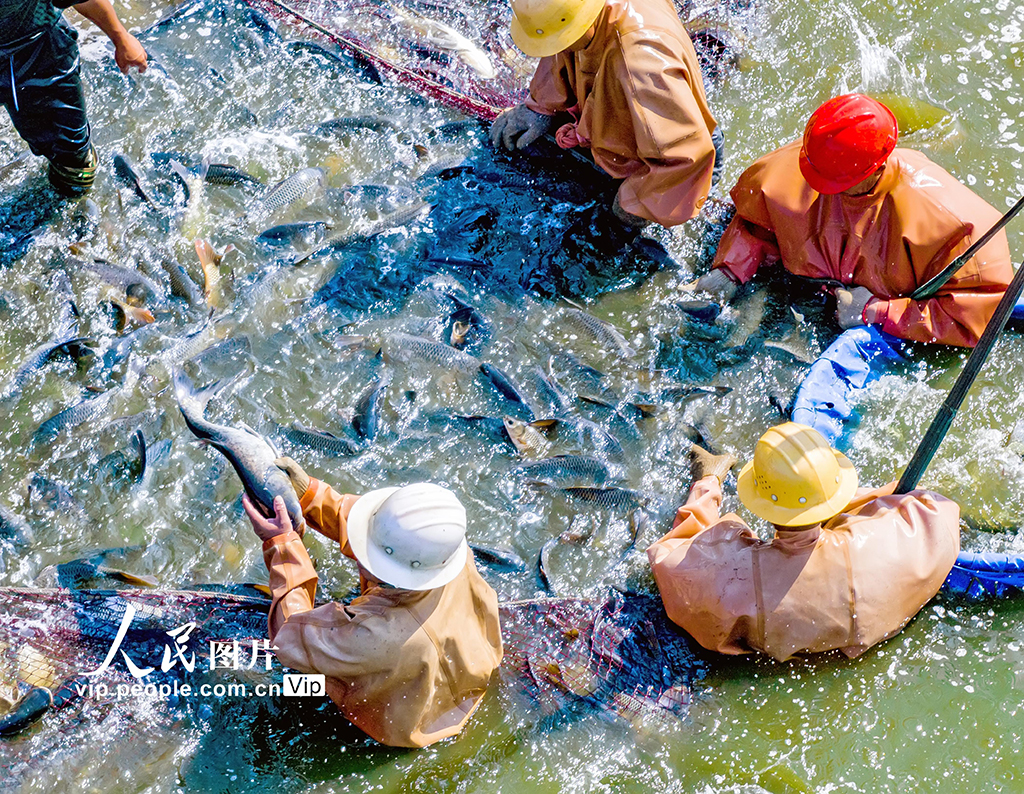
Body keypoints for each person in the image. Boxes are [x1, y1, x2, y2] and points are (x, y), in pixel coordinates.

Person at [695, 93, 1012, 348]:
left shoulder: (957, 225)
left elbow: (980, 316)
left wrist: (880, 311)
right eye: (814, 172)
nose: (818, 187)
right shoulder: (782, 171)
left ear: (876, 168)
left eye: (834, 182)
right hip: (808, 288)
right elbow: (756, 224)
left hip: (885, 321)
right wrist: (730, 270)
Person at [241, 458, 503, 748]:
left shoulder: (371, 636)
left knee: (282, 683)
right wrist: (308, 494)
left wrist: (282, 546)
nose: (360, 547)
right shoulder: (448, 551)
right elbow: (380, 529)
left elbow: (290, 636)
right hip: (470, 682)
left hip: (392, 724)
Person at [647, 423, 960, 662]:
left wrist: (707, 485)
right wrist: (871, 498)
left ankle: (711, 471)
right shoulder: (895, 545)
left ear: (762, 506)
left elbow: (671, 557)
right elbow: (932, 505)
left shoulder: (737, 583)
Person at [489, 0, 720, 243]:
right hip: (639, 126)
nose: (552, 47)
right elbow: (561, 40)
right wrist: (539, 106)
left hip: (679, 159)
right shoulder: (586, 10)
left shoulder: (642, 62)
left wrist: (633, 204)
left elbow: (688, 158)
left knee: (603, 240)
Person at [0, 0, 148, 196]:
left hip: (39, 49)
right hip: (33, 51)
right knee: (75, 163)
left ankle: (67, 206)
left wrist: (119, 36)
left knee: (74, 164)